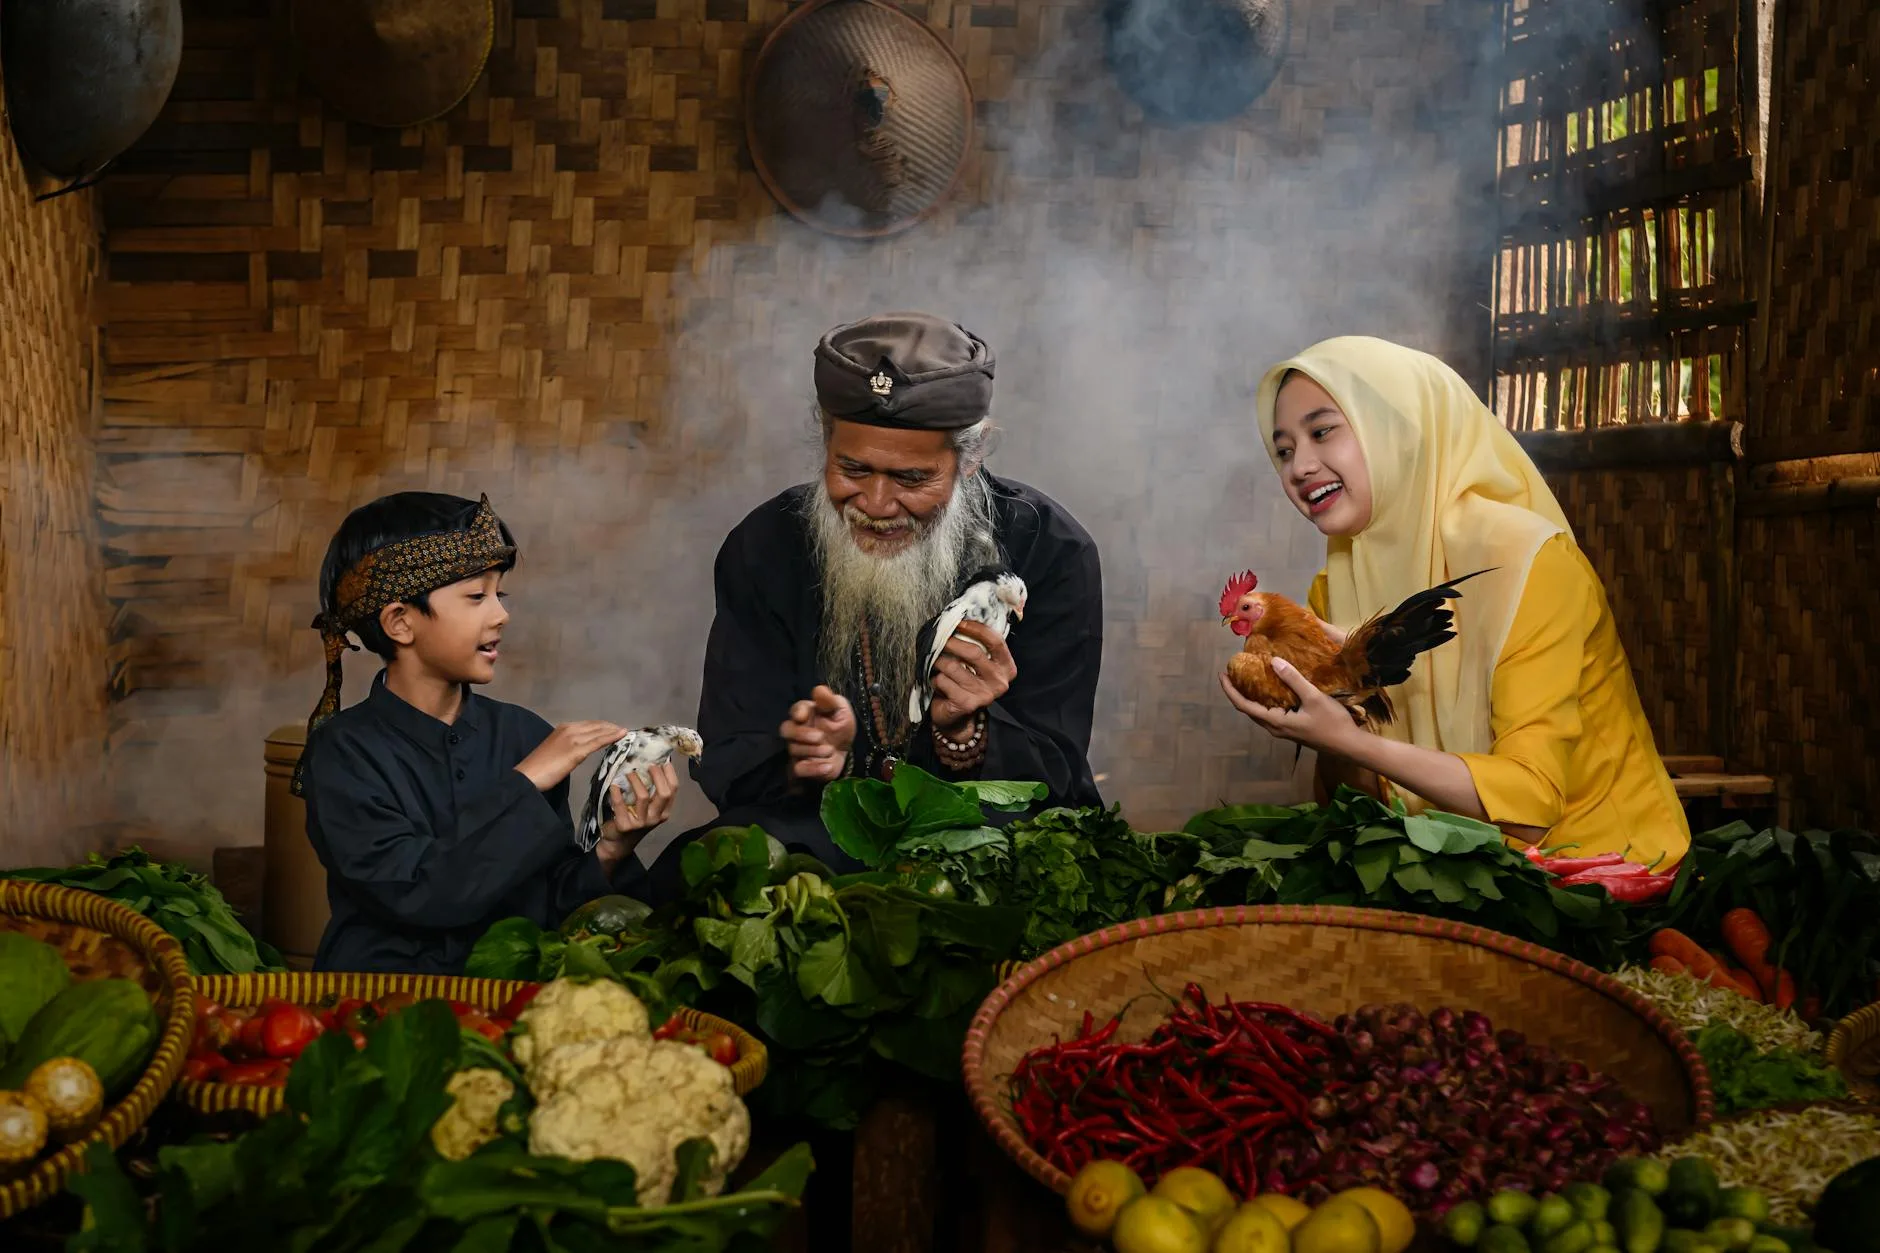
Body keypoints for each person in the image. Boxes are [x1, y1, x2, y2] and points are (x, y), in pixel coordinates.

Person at [639, 311, 1105, 899]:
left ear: (972, 455)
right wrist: (804, 759)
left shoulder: (1050, 550)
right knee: (701, 875)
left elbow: (1056, 773)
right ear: (826, 440)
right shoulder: (765, 547)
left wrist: (965, 733)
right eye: (852, 469)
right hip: (818, 833)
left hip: (984, 836)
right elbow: (730, 755)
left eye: (911, 478)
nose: (877, 504)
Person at [1220, 335, 1691, 866]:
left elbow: (1531, 808)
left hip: (1599, 870)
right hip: (1447, 867)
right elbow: (1358, 802)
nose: (1299, 467)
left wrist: (1355, 742)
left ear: (1397, 428)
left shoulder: (1528, 563)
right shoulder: (1335, 586)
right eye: (1284, 450)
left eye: (1323, 431)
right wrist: (1336, 725)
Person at [294, 491, 680, 974]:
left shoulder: (524, 733)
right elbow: (417, 892)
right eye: (477, 596)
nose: (501, 614)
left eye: (501, 595)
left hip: (511, 998)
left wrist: (612, 848)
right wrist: (526, 781)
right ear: (400, 623)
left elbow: (550, 906)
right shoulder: (343, 752)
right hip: (381, 999)